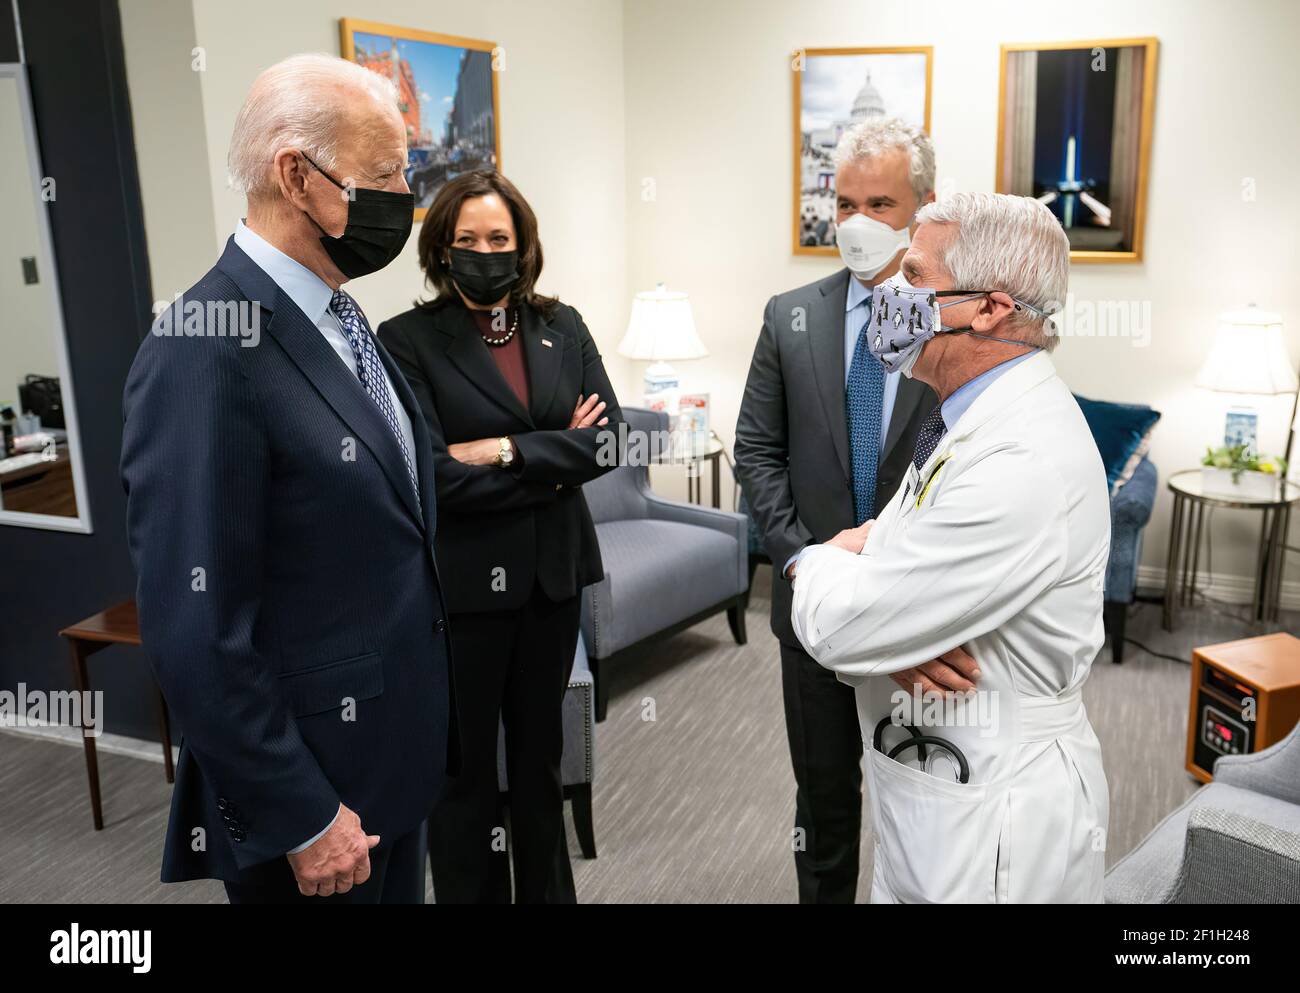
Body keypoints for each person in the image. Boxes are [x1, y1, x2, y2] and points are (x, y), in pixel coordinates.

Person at [120, 54, 456, 904]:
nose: (405, 194)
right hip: (316, 805)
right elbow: (196, 628)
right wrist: (302, 814)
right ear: (296, 176)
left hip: (391, 763)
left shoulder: (342, 315)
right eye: (385, 173)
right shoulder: (202, 347)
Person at [790, 191, 1111, 904]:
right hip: (939, 790)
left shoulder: (1021, 458)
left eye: (914, 275)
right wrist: (891, 622)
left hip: (997, 813)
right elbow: (885, 592)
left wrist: (817, 561)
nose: (889, 293)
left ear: (990, 308)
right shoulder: (963, 418)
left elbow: (845, 624)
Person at [736, 117, 973, 904]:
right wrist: (806, 561)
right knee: (825, 803)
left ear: (923, 207)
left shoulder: (958, 326)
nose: (858, 222)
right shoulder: (789, 316)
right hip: (811, 612)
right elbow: (757, 453)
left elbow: (973, 466)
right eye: (844, 203)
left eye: (880, 202)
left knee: (929, 802)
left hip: (920, 617)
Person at [377, 170, 620, 903]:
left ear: (523, 246)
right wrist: (553, 453)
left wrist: (505, 450)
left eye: (500, 239)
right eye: (469, 240)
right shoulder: (408, 340)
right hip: (464, 592)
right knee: (465, 772)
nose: (486, 252)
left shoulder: (562, 323)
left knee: (541, 760)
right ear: (443, 251)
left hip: (552, 579)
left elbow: (608, 447)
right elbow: (433, 476)